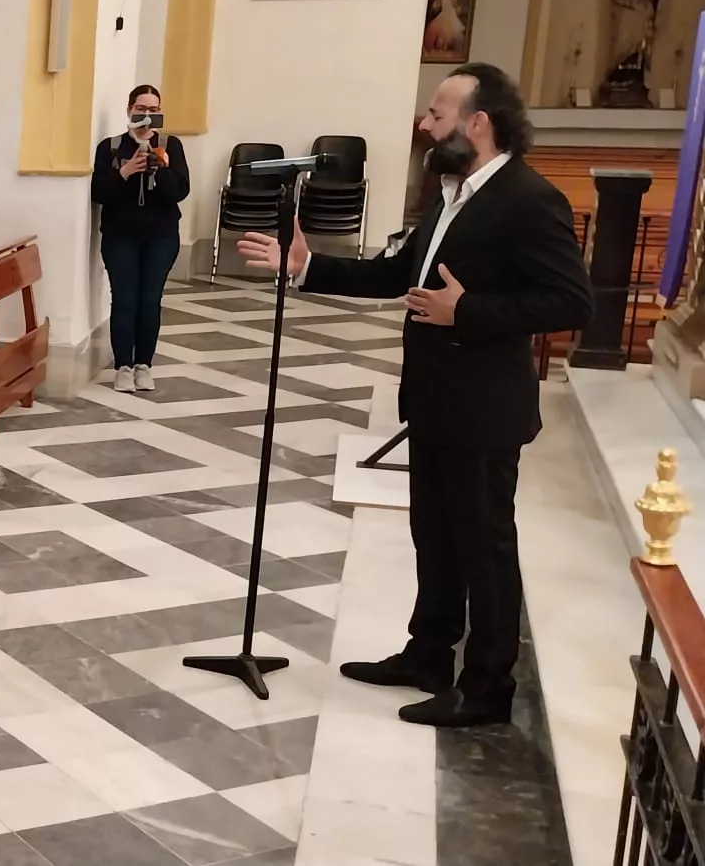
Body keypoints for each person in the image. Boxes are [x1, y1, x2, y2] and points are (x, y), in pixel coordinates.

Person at [237, 63, 592, 729]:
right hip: (434, 400)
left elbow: (572, 303)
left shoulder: (528, 199)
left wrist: (469, 311)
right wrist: (307, 266)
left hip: (484, 409)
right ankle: (428, 655)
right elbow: (398, 274)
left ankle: (486, 687)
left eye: (437, 113)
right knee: (435, 536)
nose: (425, 124)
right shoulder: (452, 193)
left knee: (484, 549)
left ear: (478, 123)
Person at [92, 84, 190, 394]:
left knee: (150, 301)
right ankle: (123, 366)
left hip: (161, 236)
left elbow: (180, 191)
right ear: (129, 110)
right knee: (125, 300)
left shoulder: (170, 145)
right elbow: (98, 192)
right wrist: (124, 172)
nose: (147, 115)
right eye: (141, 109)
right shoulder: (110, 147)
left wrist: (160, 170)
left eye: (153, 110)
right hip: (120, 235)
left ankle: (143, 365)